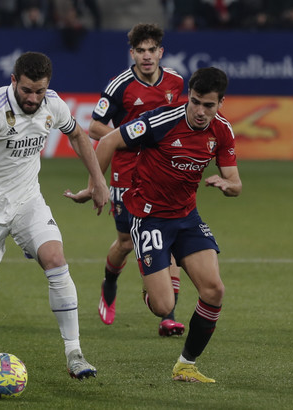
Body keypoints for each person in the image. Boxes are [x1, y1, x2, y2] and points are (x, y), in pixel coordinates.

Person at [74, 67, 241, 383]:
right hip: (148, 217)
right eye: (195, 102)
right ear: (188, 96)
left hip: (187, 217)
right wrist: (97, 186)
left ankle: (186, 365)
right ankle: (153, 275)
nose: (201, 111)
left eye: (209, 105)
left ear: (221, 102)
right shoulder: (160, 121)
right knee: (163, 305)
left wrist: (227, 185)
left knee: (214, 290)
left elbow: (236, 182)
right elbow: (108, 141)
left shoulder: (222, 131)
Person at [0, 51, 109, 379]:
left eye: (40, 91)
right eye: (27, 90)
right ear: (14, 81)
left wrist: (98, 181)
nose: (34, 98)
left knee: (55, 258)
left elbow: (79, 136)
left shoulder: (53, 104)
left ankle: (74, 353)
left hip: (28, 203)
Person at [64, 23, 185, 336]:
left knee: (166, 235)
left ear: (161, 52)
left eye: (151, 50)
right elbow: (94, 128)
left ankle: (167, 314)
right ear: (132, 53)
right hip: (126, 173)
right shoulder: (120, 85)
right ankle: (110, 282)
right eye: (140, 51)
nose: (146, 56)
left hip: (162, 173)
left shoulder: (175, 81)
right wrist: (135, 137)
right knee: (126, 242)